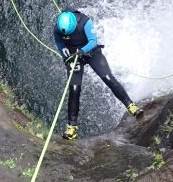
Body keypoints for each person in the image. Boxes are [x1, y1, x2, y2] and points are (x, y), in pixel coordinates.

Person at [54, 10, 144, 140]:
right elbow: (60, 44)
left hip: (91, 52)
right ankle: (72, 127)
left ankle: (130, 105)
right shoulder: (58, 28)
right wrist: (66, 56)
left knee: (108, 78)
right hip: (74, 56)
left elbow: (92, 41)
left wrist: (82, 51)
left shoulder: (85, 22)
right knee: (74, 89)